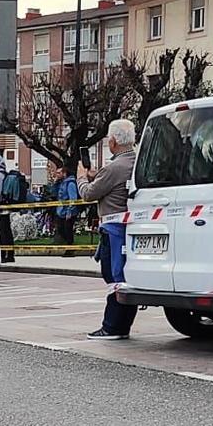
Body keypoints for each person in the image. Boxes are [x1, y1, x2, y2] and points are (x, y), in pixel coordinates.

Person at [83, 119, 140, 340]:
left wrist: (81, 176)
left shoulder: (113, 167)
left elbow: (88, 193)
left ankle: (112, 326)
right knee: (125, 277)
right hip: (132, 228)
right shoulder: (138, 162)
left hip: (113, 231)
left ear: (113, 141)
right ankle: (122, 325)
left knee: (113, 276)